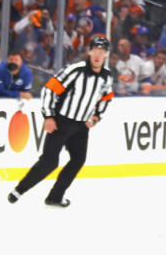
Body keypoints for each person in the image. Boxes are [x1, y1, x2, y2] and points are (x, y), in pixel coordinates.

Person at [7, 36, 114, 208]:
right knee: (49, 161)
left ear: (106, 55)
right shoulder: (75, 70)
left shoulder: (107, 77)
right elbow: (50, 89)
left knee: (78, 159)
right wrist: (49, 116)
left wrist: (96, 117)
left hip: (81, 127)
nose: (97, 55)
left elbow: (106, 97)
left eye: (101, 52)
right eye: (95, 51)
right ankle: (19, 190)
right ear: (89, 52)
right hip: (61, 122)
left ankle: (55, 197)